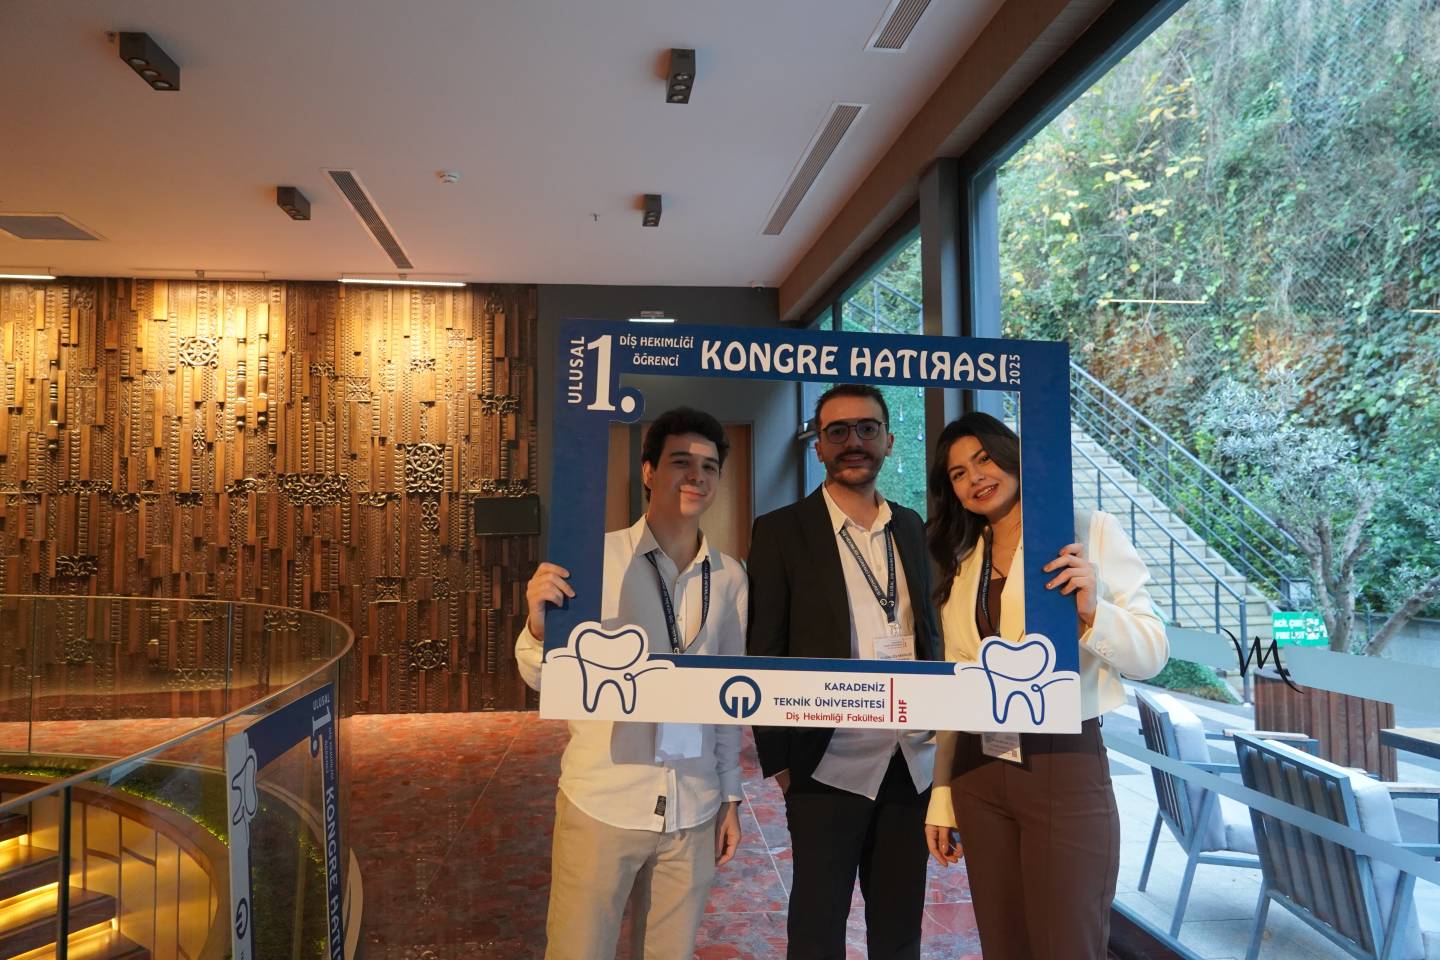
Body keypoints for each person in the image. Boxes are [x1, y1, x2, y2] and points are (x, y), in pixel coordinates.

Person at [922, 411, 1168, 960]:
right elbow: (959, 684)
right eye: (958, 473)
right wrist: (941, 793)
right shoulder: (965, 556)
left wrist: (1092, 611)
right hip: (979, 770)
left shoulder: (1087, 531)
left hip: (1063, 761)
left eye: (984, 459)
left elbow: (1152, 654)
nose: (975, 477)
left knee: (1067, 944)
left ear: (1013, 456)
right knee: (1003, 945)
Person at [515, 406, 746, 960]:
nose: (696, 476)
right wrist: (538, 628)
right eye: (681, 462)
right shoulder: (594, 561)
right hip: (605, 799)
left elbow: (728, 698)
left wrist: (730, 795)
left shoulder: (731, 576)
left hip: (693, 805)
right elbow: (542, 676)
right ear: (649, 471)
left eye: (709, 467)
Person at [747, 383, 941, 960]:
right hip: (825, 762)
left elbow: (929, 634)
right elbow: (765, 648)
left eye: (867, 428)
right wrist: (781, 762)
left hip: (910, 760)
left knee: (900, 929)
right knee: (817, 927)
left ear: (889, 441)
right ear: (819, 446)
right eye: (837, 431)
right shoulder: (780, 531)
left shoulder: (912, 527)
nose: (853, 441)